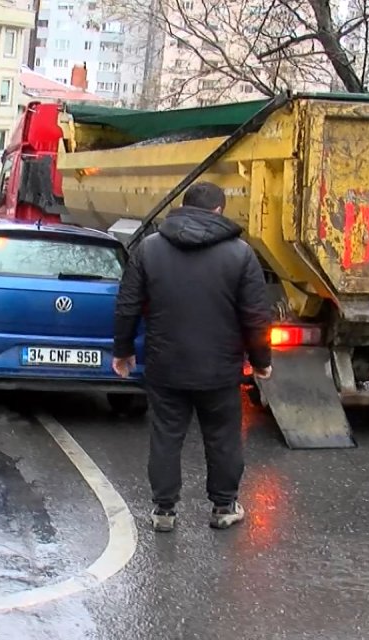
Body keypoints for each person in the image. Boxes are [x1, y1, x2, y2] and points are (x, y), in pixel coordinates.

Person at [112, 181, 272, 533]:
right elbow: (255, 315)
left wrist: (123, 351)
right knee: (222, 437)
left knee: (167, 436)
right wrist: (261, 360)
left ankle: (164, 511)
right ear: (219, 210)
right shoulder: (241, 254)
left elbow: (127, 306)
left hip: (166, 366)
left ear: (183, 207)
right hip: (219, 369)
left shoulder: (149, 249)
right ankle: (223, 506)